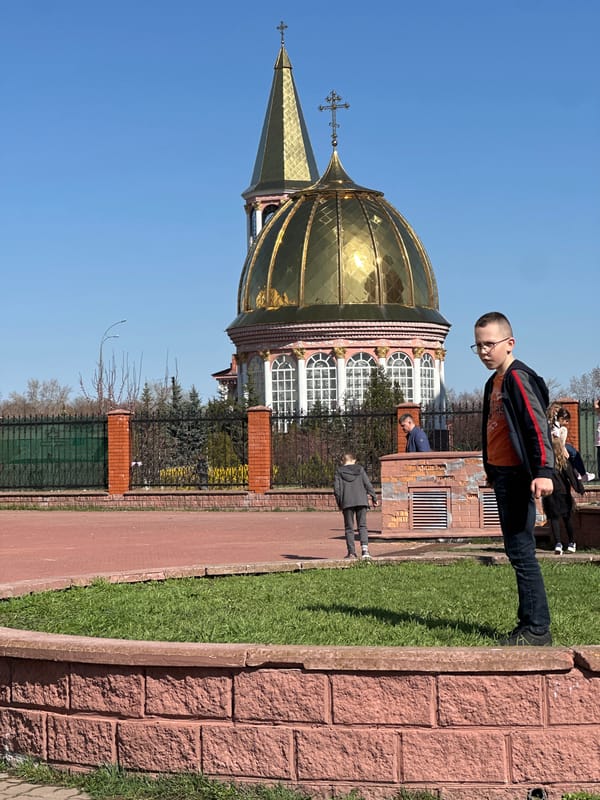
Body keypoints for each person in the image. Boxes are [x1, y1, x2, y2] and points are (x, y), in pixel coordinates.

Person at [474, 311, 554, 646]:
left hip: (520, 475)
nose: (483, 351)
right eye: (478, 346)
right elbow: (493, 431)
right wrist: (492, 470)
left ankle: (537, 629)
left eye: (489, 344)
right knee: (516, 550)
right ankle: (527, 623)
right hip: (504, 475)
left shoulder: (518, 378)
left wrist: (544, 471)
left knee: (521, 551)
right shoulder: (493, 383)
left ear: (510, 343)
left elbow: (537, 426)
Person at [543, 438, 585, 555]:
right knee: (566, 518)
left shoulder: (548, 463)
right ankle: (571, 542)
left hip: (551, 493)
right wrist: (579, 488)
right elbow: (572, 477)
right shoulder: (564, 462)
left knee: (554, 519)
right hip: (563, 493)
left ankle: (558, 543)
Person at [333, 453, 378, 560]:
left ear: (342, 461)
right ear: (354, 460)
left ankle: (351, 552)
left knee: (349, 528)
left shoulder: (339, 471)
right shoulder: (360, 469)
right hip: (361, 500)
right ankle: (365, 550)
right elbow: (367, 484)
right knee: (362, 526)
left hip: (347, 502)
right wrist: (374, 497)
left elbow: (337, 490)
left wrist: (340, 503)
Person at [549, 406, 594, 483]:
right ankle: (582, 474)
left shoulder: (554, 424)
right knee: (573, 452)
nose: (567, 423)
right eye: (566, 421)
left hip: (556, 445)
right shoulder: (556, 427)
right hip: (555, 446)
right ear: (561, 419)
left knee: (572, 453)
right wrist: (563, 449)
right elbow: (557, 440)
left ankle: (577, 472)